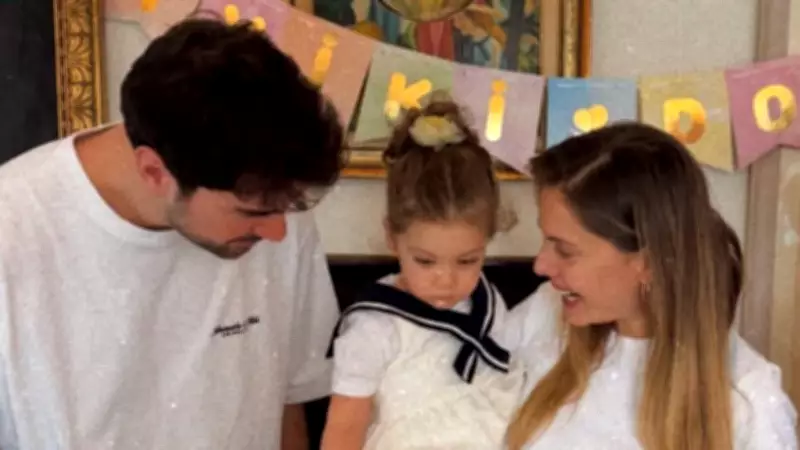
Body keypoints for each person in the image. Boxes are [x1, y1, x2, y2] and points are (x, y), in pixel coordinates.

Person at [0, 17, 346, 449]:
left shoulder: (274, 198)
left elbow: (287, 397)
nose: (278, 232)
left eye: (287, 209)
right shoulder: (14, 233)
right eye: (251, 213)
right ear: (153, 171)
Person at [504, 122, 798, 450]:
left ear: (649, 262)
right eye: (546, 239)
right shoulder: (543, 314)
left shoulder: (748, 404)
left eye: (565, 251)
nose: (540, 266)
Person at [320, 97, 525, 449]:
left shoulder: (488, 303)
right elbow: (344, 430)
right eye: (426, 262)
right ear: (392, 238)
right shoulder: (374, 327)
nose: (446, 279)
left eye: (467, 261)